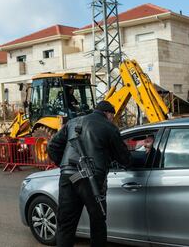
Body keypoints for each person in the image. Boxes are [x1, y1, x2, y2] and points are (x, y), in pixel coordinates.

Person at [47, 100, 131, 247]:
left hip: (68, 177)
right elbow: (124, 158)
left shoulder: (73, 122)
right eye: (113, 115)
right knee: (98, 222)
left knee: (65, 223)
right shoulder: (109, 127)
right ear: (108, 113)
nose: (113, 118)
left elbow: (53, 146)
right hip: (92, 179)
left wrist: (63, 165)